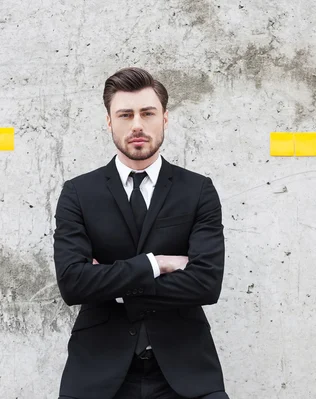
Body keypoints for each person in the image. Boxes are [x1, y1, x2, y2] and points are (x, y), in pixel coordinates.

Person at [53, 67, 228, 399]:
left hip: (186, 372)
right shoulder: (78, 193)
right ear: (108, 121)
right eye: (125, 114)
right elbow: (73, 282)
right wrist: (157, 264)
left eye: (147, 113)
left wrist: (109, 284)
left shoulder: (198, 191)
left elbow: (207, 282)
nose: (136, 124)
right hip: (97, 372)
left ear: (165, 118)